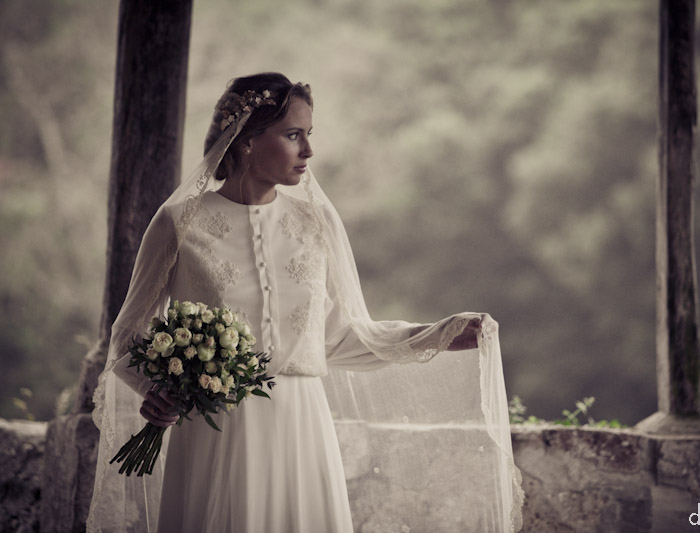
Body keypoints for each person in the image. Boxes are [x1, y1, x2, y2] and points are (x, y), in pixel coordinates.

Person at [88, 73, 522, 533]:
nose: (308, 152)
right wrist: (156, 394)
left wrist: (433, 336)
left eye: (308, 135)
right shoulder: (179, 222)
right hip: (215, 434)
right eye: (294, 135)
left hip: (302, 424)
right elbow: (126, 335)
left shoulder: (315, 223)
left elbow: (337, 337)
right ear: (247, 140)